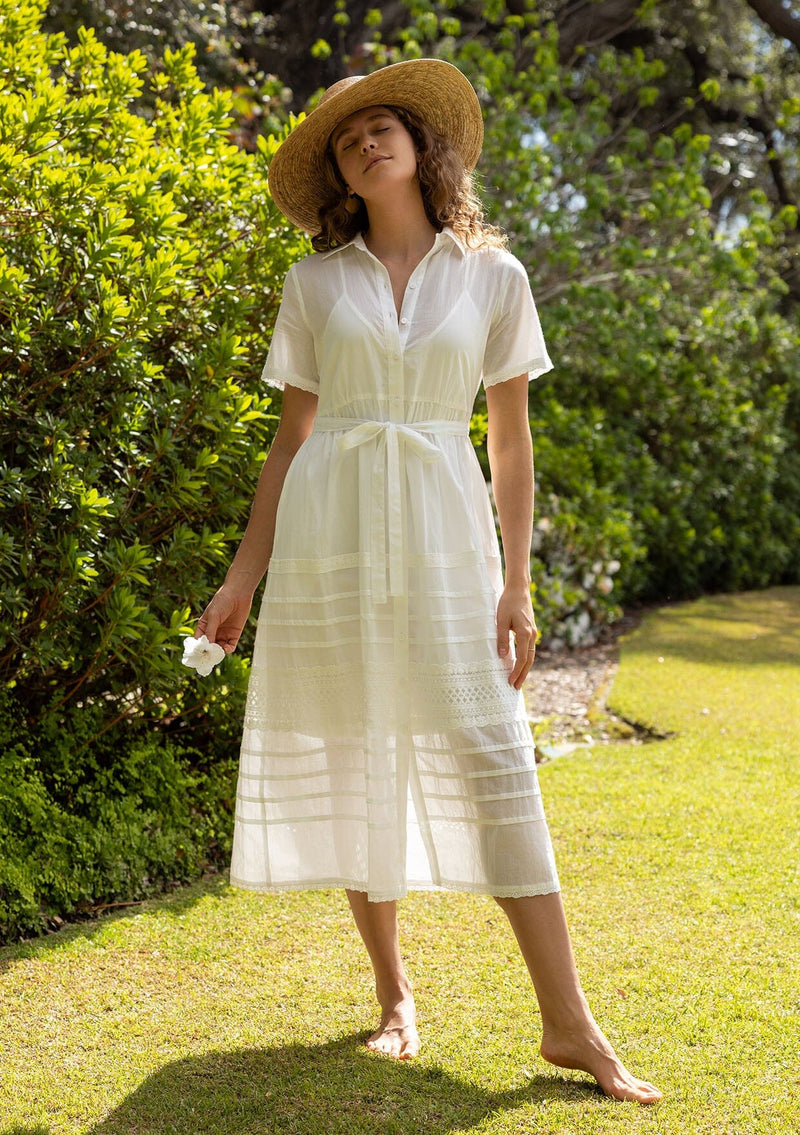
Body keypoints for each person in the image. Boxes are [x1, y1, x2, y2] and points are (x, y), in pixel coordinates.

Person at [195, 58, 661, 1104]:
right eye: (346, 137)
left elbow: (509, 443)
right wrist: (241, 580)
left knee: (493, 751)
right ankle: (393, 992)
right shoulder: (314, 284)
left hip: (447, 536)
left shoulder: (493, 277)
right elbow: (288, 441)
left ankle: (567, 1021)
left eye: (382, 125)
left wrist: (517, 586)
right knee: (360, 744)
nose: (366, 141)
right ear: (341, 176)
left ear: (419, 143)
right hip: (332, 530)